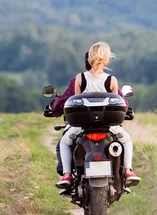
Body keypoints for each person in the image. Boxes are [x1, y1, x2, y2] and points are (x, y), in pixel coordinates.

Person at [56, 42, 140, 188]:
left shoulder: (80, 78)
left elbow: (77, 102)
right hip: (108, 127)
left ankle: (67, 175)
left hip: (82, 127)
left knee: (64, 142)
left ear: (89, 59)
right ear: (106, 59)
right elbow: (118, 104)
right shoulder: (111, 80)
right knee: (126, 141)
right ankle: (128, 171)